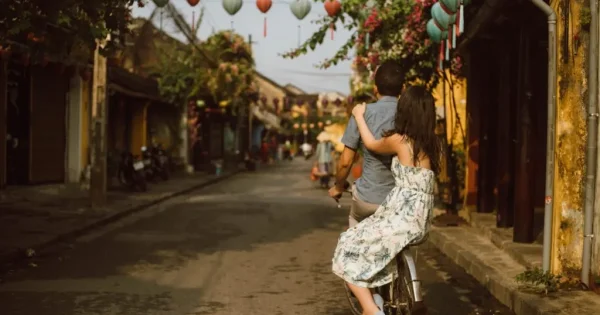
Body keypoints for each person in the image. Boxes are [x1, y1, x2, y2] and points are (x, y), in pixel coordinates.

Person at [331, 86, 441, 315]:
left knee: (349, 245)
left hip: (402, 216)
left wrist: (359, 116)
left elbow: (370, 144)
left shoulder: (400, 140)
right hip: (421, 220)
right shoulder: (432, 144)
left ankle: (371, 309)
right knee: (374, 244)